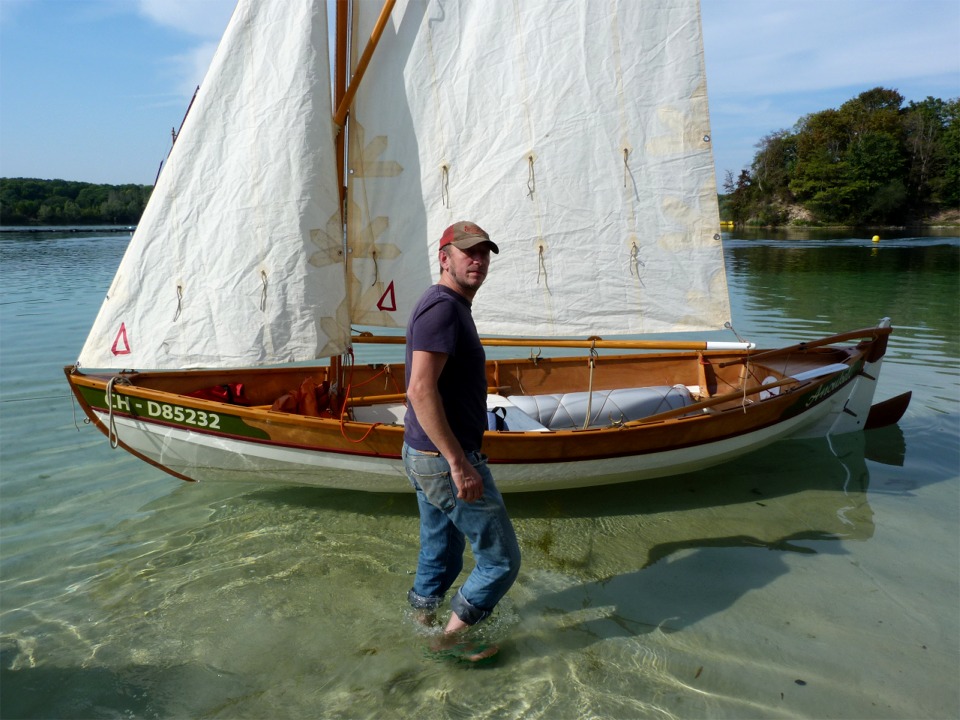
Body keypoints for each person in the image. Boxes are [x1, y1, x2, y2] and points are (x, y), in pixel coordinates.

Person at [402, 220, 521, 663]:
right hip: (445, 460)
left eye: (484, 252)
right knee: (501, 562)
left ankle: (420, 626)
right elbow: (419, 389)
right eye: (468, 252)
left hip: (424, 453)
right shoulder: (444, 309)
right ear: (444, 257)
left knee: (441, 555)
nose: (478, 260)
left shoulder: (447, 305)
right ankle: (447, 644)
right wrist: (459, 463)